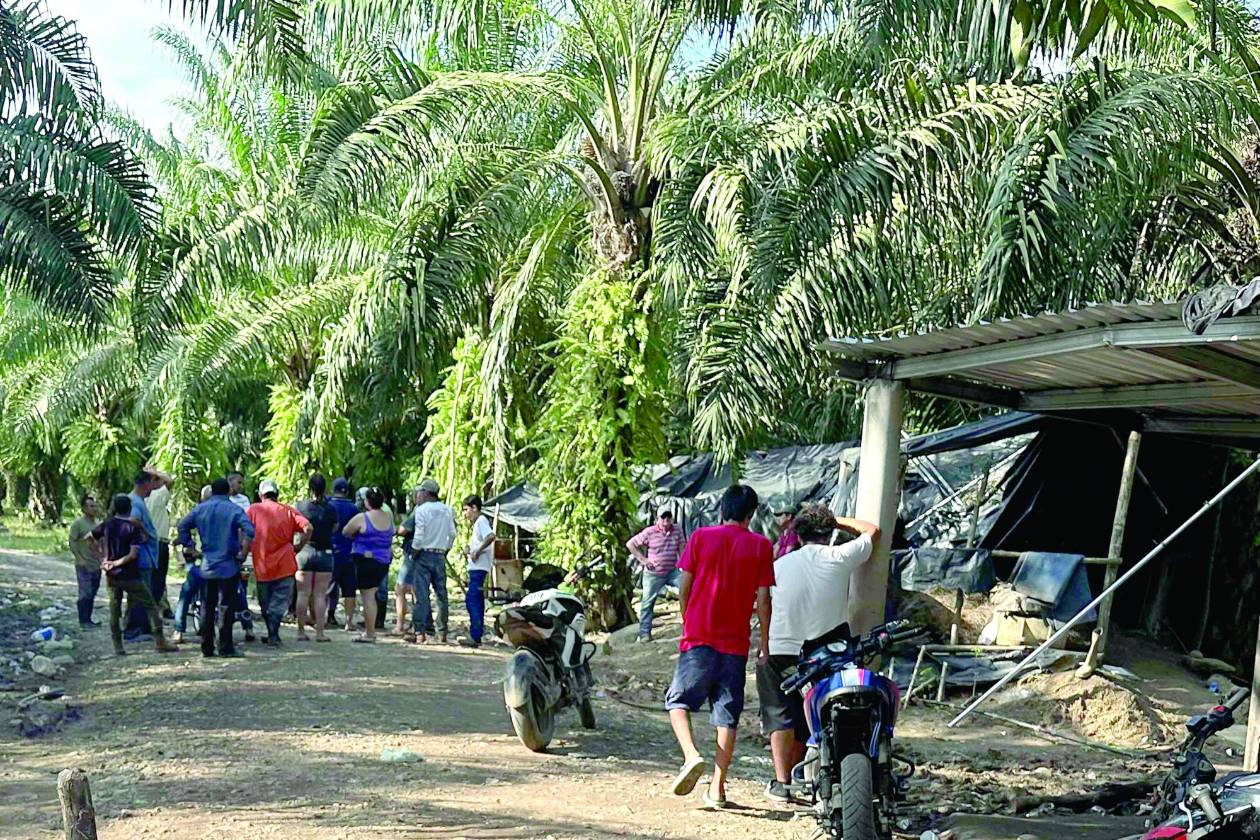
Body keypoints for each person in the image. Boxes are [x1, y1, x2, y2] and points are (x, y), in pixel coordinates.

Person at [756, 503, 879, 803]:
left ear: (798, 536)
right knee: (816, 714)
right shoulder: (840, 556)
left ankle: (782, 782)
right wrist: (838, 522)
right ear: (829, 534)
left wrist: (764, 647)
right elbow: (872, 531)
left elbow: (764, 604)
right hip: (826, 654)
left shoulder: (779, 565)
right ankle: (813, 774)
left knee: (780, 714)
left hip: (781, 651)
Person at [664, 484, 774, 809]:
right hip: (736, 645)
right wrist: (764, 643)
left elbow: (684, 585)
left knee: (678, 702)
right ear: (750, 515)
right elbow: (765, 599)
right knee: (727, 716)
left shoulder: (700, 537)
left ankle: (691, 755)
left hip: (699, 638)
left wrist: (688, 621)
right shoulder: (761, 546)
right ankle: (717, 788)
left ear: (722, 509)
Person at [177, 477, 256, 657]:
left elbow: (183, 525)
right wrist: (243, 553)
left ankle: (207, 647)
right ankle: (225, 647)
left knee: (206, 605)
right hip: (229, 565)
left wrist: (189, 546)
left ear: (211, 491)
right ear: (228, 491)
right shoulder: (234, 510)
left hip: (207, 565)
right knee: (226, 606)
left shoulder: (200, 509)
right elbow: (250, 531)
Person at [91, 495, 177, 656]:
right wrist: (117, 562)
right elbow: (134, 553)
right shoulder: (132, 527)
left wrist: (102, 558)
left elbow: (88, 538)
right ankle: (160, 641)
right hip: (130, 575)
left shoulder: (107, 525)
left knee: (114, 610)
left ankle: (118, 646)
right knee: (151, 605)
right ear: (130, 508)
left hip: (112, 576)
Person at [247, 479, 312, 646]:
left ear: (261, 495)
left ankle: (272, 634)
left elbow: (244, 531)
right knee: (279, 602)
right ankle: (273, 635)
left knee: (265, 603)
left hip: (262, 565)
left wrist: (244, 550)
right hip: (285, 564)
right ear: (277, 495)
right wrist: (298, 546)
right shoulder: (288, 510)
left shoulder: (253, 510)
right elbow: (308, 528)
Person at [342, 487, 393, 643]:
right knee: (373, 595)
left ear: (367, 501)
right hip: (383, 561)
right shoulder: (388, 517)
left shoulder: (363, 518)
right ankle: (371, 630)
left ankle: (370, 633)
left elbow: (346, 531)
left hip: (366, 560)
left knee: (368, 597)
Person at [626, 509, 685, 642]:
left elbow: (682, 547)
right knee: (647, 602)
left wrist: (684, 565)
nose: (666, 520)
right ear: (658, 519)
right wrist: (643, 560)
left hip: (672, 571)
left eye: (668, 517)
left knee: (688, 591)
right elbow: (631, 544)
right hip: (654, 574)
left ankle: (690, 627)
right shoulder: (650, 532)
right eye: (663, 517)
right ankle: (644, 634)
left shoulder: (677, 530)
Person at [408, 478, 456, 644]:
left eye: (421, 491)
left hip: (424, 555)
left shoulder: (422, 510)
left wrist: (414, 552)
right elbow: (452, 533)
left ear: (426, 493)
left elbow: (419, 534)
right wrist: (445, 549)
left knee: (422, 595)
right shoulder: (447, 510)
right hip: (440, 555)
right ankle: (442, 633)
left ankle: (420, 632)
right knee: (441, 595)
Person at [295, 474, 337, 642]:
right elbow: (335, 528)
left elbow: (296, 527)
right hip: (325, 552)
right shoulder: (330, 508)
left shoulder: (301, 506)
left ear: (309, 487)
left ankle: (300, 631)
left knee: (303, 593)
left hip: (305, 552)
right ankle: (320, 633)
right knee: (320, 595)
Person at [122, 470, 161, 641]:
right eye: (151, 484)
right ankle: (133, 630)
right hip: (143, 557)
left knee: (140, 594)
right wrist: (144, 533)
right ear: (144, 484)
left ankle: (141, 628)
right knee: (140, 594)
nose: (153, 488)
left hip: (144, 556)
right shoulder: (136, 503)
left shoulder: (136, 500)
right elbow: (133, 520)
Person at [459, 495, 495, 648]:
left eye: (466, 510)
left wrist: (477, 551)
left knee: (472, 601)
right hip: (477, 568)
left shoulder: (481, 521)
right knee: (476, 601)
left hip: (479, 569)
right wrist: (471, 550)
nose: (465, 514)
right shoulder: (477, 524)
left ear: (474, 508)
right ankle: (476, 634)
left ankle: (475, 635)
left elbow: (491, 536)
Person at [327, 478, 360, 630]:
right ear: (346, 491)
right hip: (349, 552)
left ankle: (327, 616)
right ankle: (349, 621)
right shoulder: (354, 509)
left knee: (327, 587)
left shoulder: (328, 506)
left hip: (331, 551)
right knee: (349, 589)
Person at [67, 494, 103, 629]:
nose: (94, 509)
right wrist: (79, 557)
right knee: (85, 592)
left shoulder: (98, 524)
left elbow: (101, 543)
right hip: (83, 564)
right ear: (83, 508)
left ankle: (88, 619)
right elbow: (72, 541)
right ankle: (83, 621)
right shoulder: (78, 524)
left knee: (93, 592)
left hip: (96, 564)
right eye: (91, 506)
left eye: (95, 506)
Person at [146, 467, 176, 617]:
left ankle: (155, 611)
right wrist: (156, 472)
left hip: (147, 542)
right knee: (158, 580)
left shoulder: (141, 497)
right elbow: (170, 481)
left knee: (150, 579)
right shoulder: (158, 494)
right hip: (159, 542)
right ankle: (155, 612)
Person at [393, 488, 419, 637]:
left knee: (400, 588)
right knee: (417, 588)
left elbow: (403, 529)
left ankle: (400, 625)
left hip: (412, 553)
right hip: (425, 553)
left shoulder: (418, 510)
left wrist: (396, 529)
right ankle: (418, 624)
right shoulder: (440, 510)